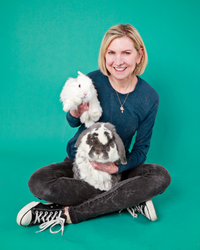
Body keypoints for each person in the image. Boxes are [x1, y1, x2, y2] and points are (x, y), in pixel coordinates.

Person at [16, 24, 171, 235]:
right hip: (79, 165)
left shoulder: (149, 97)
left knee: (160, 176)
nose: (118, 61)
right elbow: (73, 122)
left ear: (139, 55)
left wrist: (116, 169)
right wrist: (75, 113)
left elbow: (141, 149)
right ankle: (127, 199)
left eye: (126, 52)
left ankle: (66, 214)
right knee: (40, 182)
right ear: (104, 55)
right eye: (111, 52)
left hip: (119, 168)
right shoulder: (93, 81)